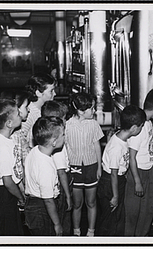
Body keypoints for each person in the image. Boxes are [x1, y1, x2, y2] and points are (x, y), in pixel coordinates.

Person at [124, 89, 153, 236]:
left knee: (147, 208)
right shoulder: (140, 127)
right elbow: (132, 156)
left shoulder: (148, 123)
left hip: (149, 170)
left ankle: (142, 237)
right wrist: (137, 181)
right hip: (138, 172)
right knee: (133, 211)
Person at [96, 105, 146, 236]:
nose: (141, 129)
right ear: (135, 128)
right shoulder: (116, 147)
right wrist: (115, 196)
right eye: (141, 126)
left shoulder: (121, 138)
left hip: (117, 180)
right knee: (108, 219)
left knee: (116, 217)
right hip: (110, 183)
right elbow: (113, 173)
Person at [65, 92, 104, 237]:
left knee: (91, 202)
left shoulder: (93, 124)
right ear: (81, 111)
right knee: (77, 204)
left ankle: (91, 232)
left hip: (91, 166)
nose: (94, 111)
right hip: (74, 167)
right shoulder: (67, 125)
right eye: (92, 109)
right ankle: (76, 232)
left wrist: (99, 167)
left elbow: (97, 146)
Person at [0, 99, 25, 236]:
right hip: (2, 195)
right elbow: (8, 182)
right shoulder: (2, 148)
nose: (21, 115)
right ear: (9, 123)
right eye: (18, 114)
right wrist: (21, 199)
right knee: (6, 231)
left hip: (9, 191)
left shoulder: (9, 138)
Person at [24, 116, 65, 236]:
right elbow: (48, 200)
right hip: (41, 209)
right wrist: (57, 224)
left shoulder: (35, 150)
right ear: (53, 142)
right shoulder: (45, 166)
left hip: (33, 204)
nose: (64, 137)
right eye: (63, 135)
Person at [41, 100, 73, 235]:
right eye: (65, 118)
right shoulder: (58, 148)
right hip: (60, 188)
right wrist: (68, 196)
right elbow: (61, 173)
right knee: (64, 223)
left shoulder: (46, 138)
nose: (66, 121)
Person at [22, 73, 56, 149]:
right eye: (51, 91)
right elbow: (20, 139)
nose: (55, 94)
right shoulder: (29, 113)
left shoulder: (43, 109)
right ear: (38, 93)